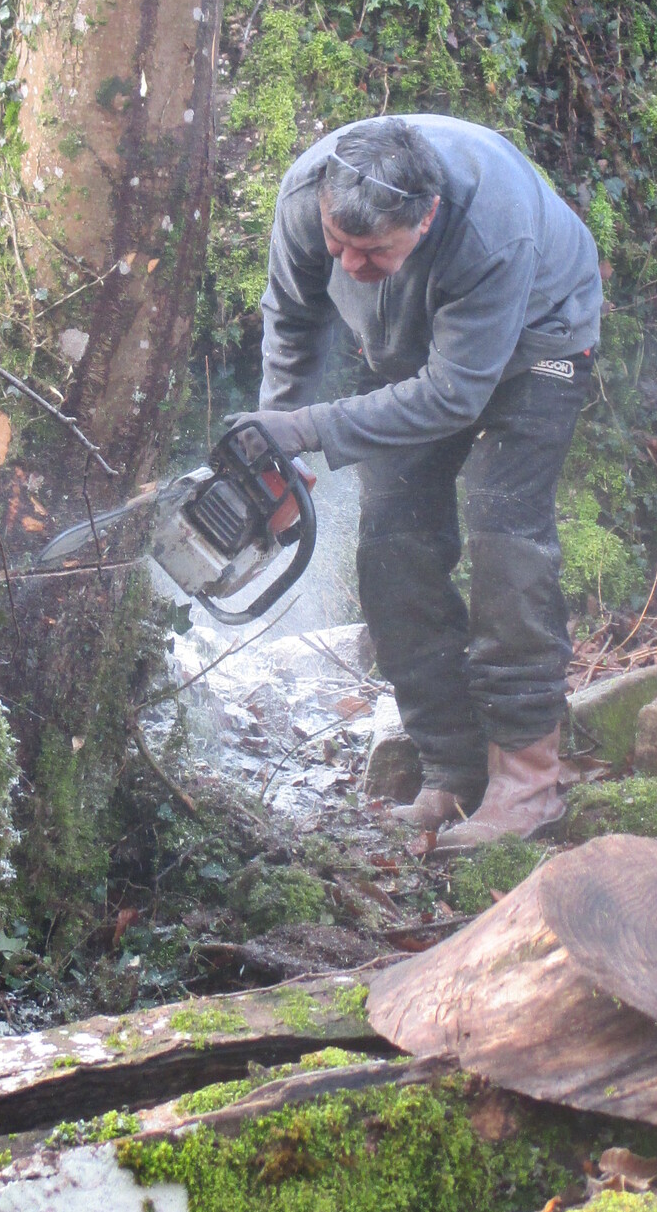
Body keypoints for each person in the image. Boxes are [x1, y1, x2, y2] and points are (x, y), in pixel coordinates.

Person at [231, 115, 603, 848]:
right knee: (391, 547)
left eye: (374, 252)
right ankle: (451, 769)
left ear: (426, 217)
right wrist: (278, 446)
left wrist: (309, 427)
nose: (350, 265)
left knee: (505, 540)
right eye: (338, 243)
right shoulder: (308, 196)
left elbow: (455, 395)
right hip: (412, 356)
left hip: (540, 345)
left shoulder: (492, 231)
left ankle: (527, 781)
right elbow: (294, 320)